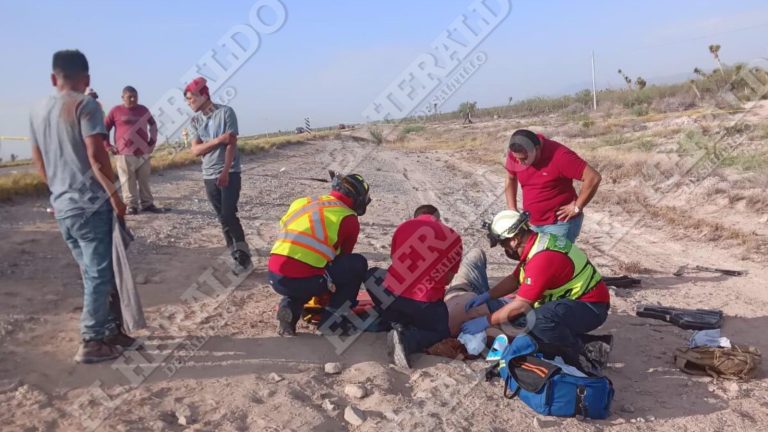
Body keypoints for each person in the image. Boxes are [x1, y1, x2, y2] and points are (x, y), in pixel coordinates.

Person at [29, 49, 140, 364]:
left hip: (63, 207)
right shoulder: (85, 104)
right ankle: (92, 340)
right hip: (91, 205)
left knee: (93, 273)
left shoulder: (37, 111)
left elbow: (40, 161)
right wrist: (116, 197)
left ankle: (109, 331)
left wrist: (58, 193)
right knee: (99, 274)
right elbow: (96, 156)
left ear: (54, 78)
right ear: (86, 79)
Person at [460, 210, 610, 368]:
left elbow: (521, 305)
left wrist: (485, 321)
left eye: (503, 244)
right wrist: (487, 295)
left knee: (539, 321)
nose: (504, 249)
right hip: (571, 302)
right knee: (519, 322)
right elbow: (514, 279)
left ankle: (579, 354)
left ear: (514, 240)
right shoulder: (536, 244)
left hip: (591, 307)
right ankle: (589, 342)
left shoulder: (542, 258)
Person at [267, 172, 371, 336]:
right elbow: (344, 258)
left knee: (309, 271)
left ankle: (289, 309)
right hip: (304, 279)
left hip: (274, 274)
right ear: (356, 199)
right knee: (357, 264)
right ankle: (332, 322)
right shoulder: (348, 218)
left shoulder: (302, 202)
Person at [365, 204, 462, 368]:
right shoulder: (453, 236)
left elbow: (395, 260)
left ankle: (391, 319)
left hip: (392, 295)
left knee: (372, 274)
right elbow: (447, 279)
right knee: (440, 333)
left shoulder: (403, 227)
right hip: (425, 302)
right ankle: (406, 340)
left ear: (416, 216)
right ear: (437, 217)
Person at [185, 77, 252, 274]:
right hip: (208, 174)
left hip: (229, 173)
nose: (189, 103)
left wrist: (225, 171)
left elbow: (231, 143)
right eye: (187, 100)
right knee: (222, 219)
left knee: (229, 214)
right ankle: (236, 255)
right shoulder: (195, 121)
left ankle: (244, 259)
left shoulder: (226, 113)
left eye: (191, 98)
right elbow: (196, 151)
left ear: (204, 95)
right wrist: (218, 140)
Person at [504, 129, 601, 242]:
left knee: (554, 259)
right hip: (532, 223)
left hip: (559, 224)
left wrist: (577, 207)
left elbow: (593, 177)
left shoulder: (560, 156)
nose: (519, 162)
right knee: (535, 258)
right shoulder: (517, 153)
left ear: (537, 149)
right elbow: (510, 178)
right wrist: (512, 208)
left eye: (524, 159)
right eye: (517, 158)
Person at [105, 86, 161, 215]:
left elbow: (152, 124)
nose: (133, 99)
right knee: (127, 180)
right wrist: (107, 145)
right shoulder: (116, 111)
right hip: (123, 152)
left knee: (144, 180)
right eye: (130, 96)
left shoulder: (143, 110)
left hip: (143, 152)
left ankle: (147, 204)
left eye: (135, 96)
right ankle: (131, 205)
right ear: (122, 97)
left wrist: (152, 142)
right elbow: (104, 128)